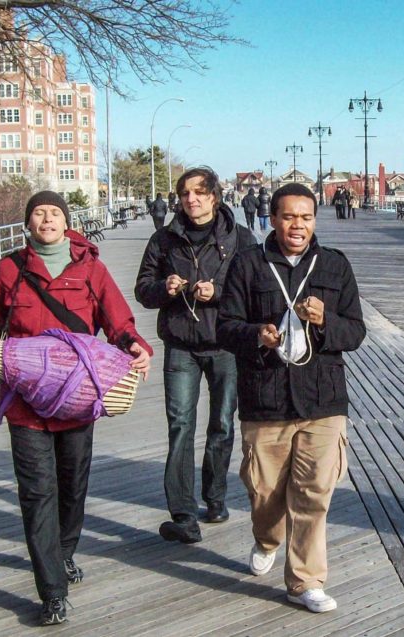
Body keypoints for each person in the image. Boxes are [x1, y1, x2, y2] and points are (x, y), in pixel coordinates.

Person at [0, 191, 152, 626]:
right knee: (37, 493)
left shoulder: (90, 268)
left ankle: (64, 553)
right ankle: (52, 591)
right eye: (38, 213)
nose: (46, 218)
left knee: (72, 485)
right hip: (25, 404)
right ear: (28, 223)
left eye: (54, 212)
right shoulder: (11, 268)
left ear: (66, 222)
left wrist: (135, 346)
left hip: (78, 399)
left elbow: (118, 321)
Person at [217, 182, 366, 613]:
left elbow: (355, 332)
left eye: (305, 217)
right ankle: (266, 538)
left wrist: (326, 321)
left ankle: (305, 582)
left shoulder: (334, 266)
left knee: (314, 493)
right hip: (265, 398)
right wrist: (255, 335)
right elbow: (225, 326)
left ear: (314, 220)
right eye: (288, 216)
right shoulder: (249, 265)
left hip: (322, 398)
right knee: (265, 492)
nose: (297, 225)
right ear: (274, 217)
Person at [135, 167, 257, 544]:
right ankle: (183, 513)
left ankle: (215, 497)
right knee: (180, 426)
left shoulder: (241, 238)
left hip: (225, 344)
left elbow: (256, 288)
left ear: (215, 197)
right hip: (181, 346)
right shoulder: (164, 240)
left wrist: (218, 291)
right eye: (185, 193)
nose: (192, 199)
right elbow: (142, 289)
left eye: (200, 192)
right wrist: (165, 287)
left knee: (222, 424)